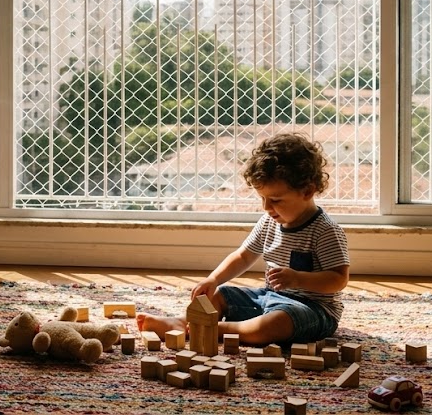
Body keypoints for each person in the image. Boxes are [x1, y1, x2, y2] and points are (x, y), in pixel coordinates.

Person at [137, 132, 349, 346]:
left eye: (275, 200)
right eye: (262, 198)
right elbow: (243, 256)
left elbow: (339, 279)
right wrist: (214, 279)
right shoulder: (269, 221)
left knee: (274, 323)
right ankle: (184, 323)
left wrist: (298, 279)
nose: (266, 207)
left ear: (307, 191)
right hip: (270, 297)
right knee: (222, 294)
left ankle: (220, 329)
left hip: (312, 310)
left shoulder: (325, 230)